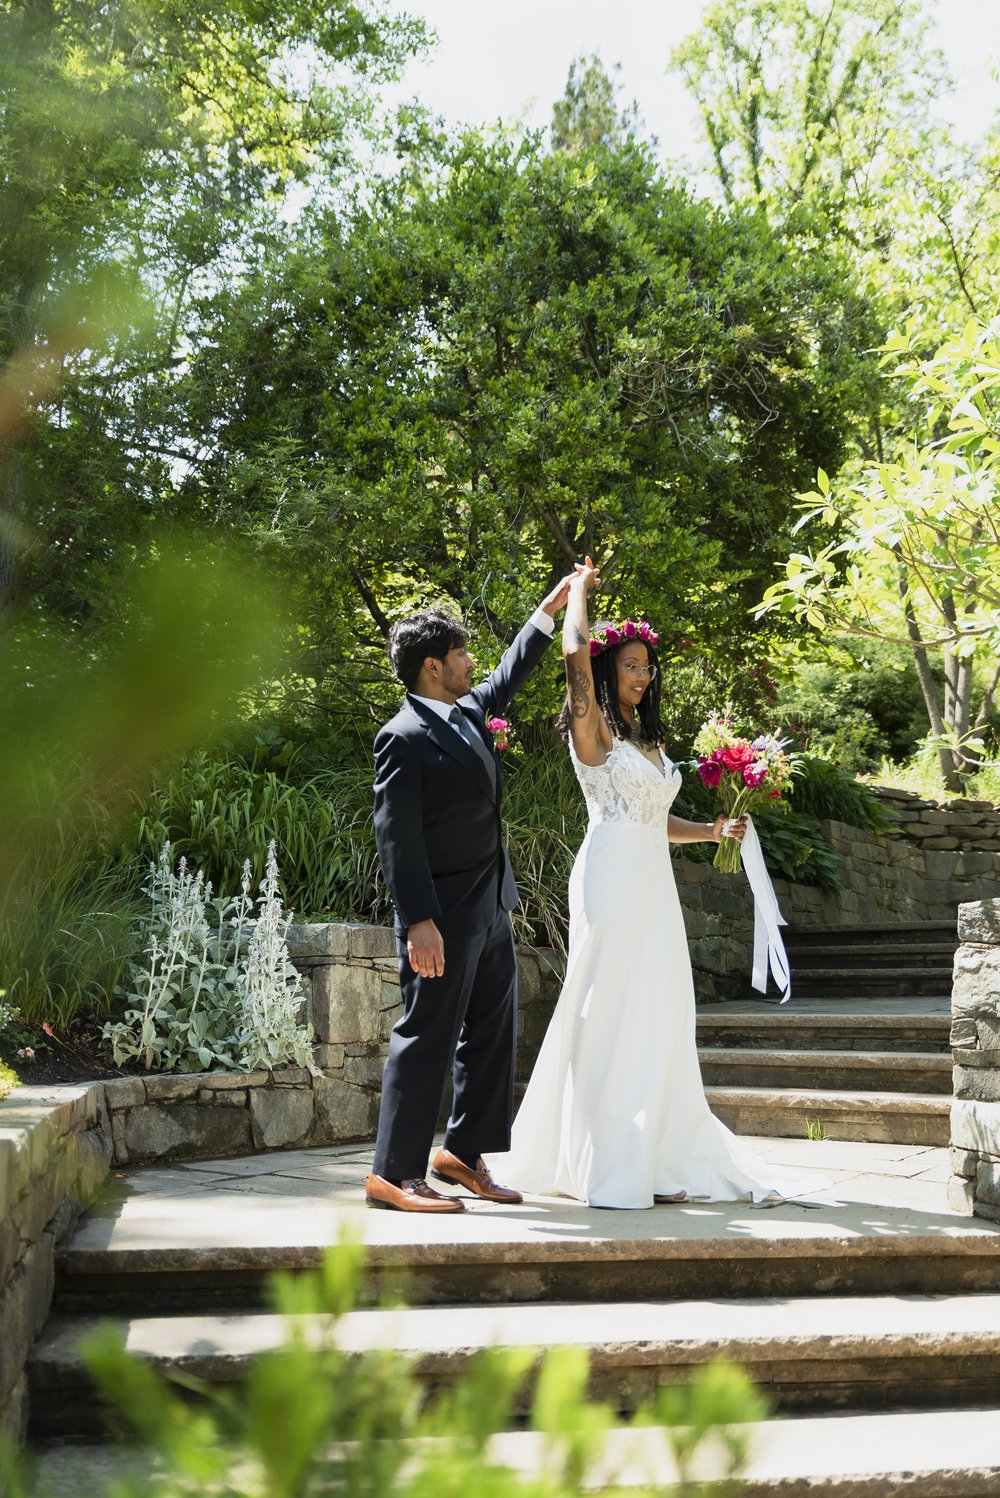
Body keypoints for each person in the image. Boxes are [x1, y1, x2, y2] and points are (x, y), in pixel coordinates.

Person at [487, 559, 816, 1209]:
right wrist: (576, 594)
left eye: (646, 665)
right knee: (610, 1008)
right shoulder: (594, 729)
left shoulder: (647, 739)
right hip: (610, 878)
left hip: (653, 882)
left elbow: (657, 820)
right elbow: (574, 656)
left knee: (661, 1012)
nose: (642, 674)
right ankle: (605, 1159)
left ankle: (659, 1156)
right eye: (631, 664)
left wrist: (713, 831)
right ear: (610, 670)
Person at [365, 573, 580, 1213]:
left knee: (491, 1031)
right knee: (426, 1033)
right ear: (433, 667)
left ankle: (462, 1153)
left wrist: (549, 610)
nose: (469, 662)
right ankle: (394, 1174)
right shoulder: (401, 738)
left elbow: (509, 676)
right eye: (459, 655)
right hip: (442, 917)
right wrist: (418, 922)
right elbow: (396, 838)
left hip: (492, 907)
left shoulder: (466, 715)